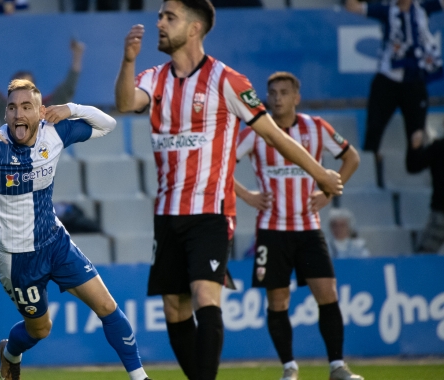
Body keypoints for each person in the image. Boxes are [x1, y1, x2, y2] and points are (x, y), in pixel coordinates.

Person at [114, 2, 343, 379]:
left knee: (205, 295)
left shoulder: (227, 80)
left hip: (211, 212)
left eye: (169, 17)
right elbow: (125, 103)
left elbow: (272, 134)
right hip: (167, 212)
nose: (159, 23)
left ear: (194, 29)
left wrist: (320, 173)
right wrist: (127, 61)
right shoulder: (154, 78)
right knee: (174, 307)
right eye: (159, 15)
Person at [0, 79, 151, 380]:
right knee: (40, 329)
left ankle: (140, 378)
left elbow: (107, 124)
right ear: (6, 115)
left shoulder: (53, 133)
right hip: (18, 259)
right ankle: (10, 353)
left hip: (55, 242)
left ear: (40, 112)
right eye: (12, 108)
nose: (19, 114)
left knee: (107, 305)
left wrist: (72, 109)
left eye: (26, 107)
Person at [234, 72, 363, 380]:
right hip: (271, 230)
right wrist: (248, 195)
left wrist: (330, 189)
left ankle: (337, 366)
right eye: (272, 93)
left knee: (327, 293)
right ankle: (289, 368)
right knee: (277, 300)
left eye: (283, 92)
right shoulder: (254, 131)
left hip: (308, 228)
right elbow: (222, 165)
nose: (277, 98)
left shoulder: (316, 128)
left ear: (296, 97)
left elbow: (352, 158)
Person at [345, 0, 442, 167]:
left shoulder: (424, 8)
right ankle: (371, 171)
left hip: (415, 81)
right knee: (374, 130)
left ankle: (420, 168)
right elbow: (352, 7)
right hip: (388, 79)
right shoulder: (385, 10)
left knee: (417, 137)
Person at [0, 39, 85, 117]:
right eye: (18, 87)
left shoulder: (47, 110)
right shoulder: (4, 110)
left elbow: (68, 88)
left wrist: (77, 55)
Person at [407, 129, 444, 253]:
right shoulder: (439, 147)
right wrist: (415, 147)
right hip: (440, 213)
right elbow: (413, 166)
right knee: (425, 256)